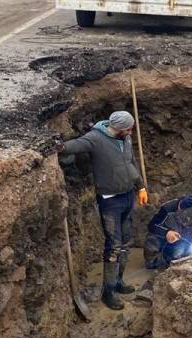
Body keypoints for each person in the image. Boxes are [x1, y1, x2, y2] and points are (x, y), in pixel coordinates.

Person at [59, 111, 149, 311]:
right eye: (128, 129)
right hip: (110, 201)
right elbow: (74, 146)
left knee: (125, 242)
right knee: (114, 246)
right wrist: (60, 146)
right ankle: (108, 292)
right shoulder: (95, 138)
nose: (131, 132)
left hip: (127, 195)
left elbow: (131, 163)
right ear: (117, 127)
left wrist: (140, 186)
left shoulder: (125, 138)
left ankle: (118, 281)